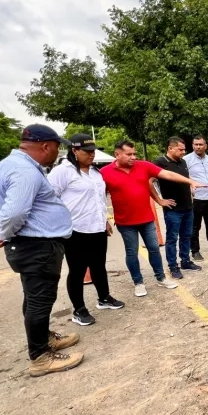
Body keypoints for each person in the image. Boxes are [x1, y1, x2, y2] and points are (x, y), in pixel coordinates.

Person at [0, 124, 83, 377]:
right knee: (40, 299)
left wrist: (2, 233)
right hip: (36, 245)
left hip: (33, 244)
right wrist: (3, 235)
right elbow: (16, 211)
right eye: (56, 147)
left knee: (35, 297)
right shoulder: (23, 170)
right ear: (45, 146)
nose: (57, 152)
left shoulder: (10, 165)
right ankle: (40, 357)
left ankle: (43, 339)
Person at [100, 140, 206, 297]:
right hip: (126, 222)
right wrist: (104, 220)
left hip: (147, 219)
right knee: (131, 252)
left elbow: (167, 174)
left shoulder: (144, 166)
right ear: (117, 154)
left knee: (154, 249)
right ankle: (138, 282)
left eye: (134, 153)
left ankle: (161, 277)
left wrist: (190, 181)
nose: (133, 157)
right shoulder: (104, 173)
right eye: (129, 154)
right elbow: (99, 198)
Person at [48, 134, 124, 326]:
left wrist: (104, 220)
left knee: (99, 265)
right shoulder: (62, 172)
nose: (91, 155)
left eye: (93, 152)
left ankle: (104, 298)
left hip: (96, 227)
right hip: (75, 230)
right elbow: (49, 199)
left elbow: (99, 200)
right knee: (78, 270)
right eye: (87, 152)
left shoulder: (95, 173)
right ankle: (79, 309)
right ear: (74, 150)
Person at [153, 137, 202, 279]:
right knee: (172, 238)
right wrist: (159, 200)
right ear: (170, 148)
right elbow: (148, 181)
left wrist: (190, 191)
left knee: (186, 236)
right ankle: (173, 266)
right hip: (173, 209)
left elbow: (184, 182)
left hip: (187, 206)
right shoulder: (160, 162)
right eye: (180, 149)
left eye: (184, 149)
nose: (183, 152)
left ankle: (185, 261)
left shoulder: (183, 162)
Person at [184, 135, 208, 260]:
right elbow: (183, 179)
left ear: (205, 146)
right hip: (196, 199)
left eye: (201, 144)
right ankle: (195, 251)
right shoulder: (186, 160)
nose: (198, 147)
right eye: (196, 144)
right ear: (192, 146)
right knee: (195, 226)